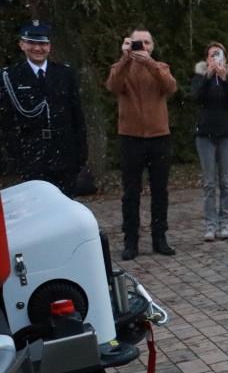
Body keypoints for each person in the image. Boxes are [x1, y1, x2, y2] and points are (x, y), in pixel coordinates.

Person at [105, 26, 178, 260]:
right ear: (128, 43)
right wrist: (125, 58)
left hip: (159, 138)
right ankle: (131, 242)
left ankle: (160, 238)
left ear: (152, 46)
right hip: (130, 138)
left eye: (146, 43)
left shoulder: (161, 67)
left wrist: (149, 62)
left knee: (160, 191)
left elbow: (170, 87)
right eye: (137, 42)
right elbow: (113, 87)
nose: (142, 47)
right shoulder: (120, 68)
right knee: (130, 193)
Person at [0, 21, 87, 197]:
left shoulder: (65, 74)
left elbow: (77, 115)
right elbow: (6, 121)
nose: (38, 48)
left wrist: (81, 152)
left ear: (49, 46)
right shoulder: (10, 76)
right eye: (32, 43)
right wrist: (17, 156)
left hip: (64, 151)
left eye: (43, 44)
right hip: (31, 153)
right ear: (22, 45)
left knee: (65, 205)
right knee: (39, 206)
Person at [190, 42, 228, 242]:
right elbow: (195, 96)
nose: (215, 58)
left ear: (225, 58)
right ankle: (210, 225)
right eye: (212, 55)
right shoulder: (200, 77)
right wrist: (208, 77)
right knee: (209, 183)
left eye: (219, 55)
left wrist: (224, 79)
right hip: (205, 135)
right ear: (207, 59)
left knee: (226, 182)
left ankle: (225, 223)